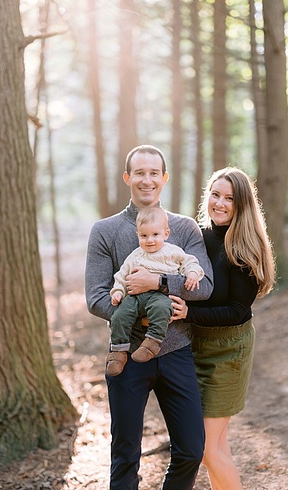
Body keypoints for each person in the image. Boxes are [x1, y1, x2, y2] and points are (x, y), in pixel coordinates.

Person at [85, 145, 214, 489]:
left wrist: (158, 282)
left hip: (176, 352)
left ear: (164, 178)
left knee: (191, 449)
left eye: (154, 173)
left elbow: (205, 287)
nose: (147, 180)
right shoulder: (105, 231)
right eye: (139, 173)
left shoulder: (184, 229)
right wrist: (137, 317)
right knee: (125, 453)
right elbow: (95, 296)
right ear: (128, 177)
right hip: (126, 355)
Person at [170, 167, 275, 490]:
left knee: (204, 447)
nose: (220, 203)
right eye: (215, 194)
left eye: (229, 198)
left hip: (228, 351)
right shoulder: (198, 237)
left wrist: (188, 312)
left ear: (242, 204)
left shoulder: (245, 247)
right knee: (216, 444)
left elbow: (236, 310)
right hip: (195, 345)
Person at [106, 205, 205, 376]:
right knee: (120, 315)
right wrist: (117, 291)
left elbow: (190, 262)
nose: (149, 240)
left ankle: (152, 342)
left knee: (163, 309)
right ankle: (118, 352)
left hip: (160, 295)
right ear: (138, 235)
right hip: (135, 297)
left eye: (155, 235)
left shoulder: (173, 252)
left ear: (166, 234)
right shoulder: (135, 255)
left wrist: (193, 274)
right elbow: (122, 275)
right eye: (144, 236)